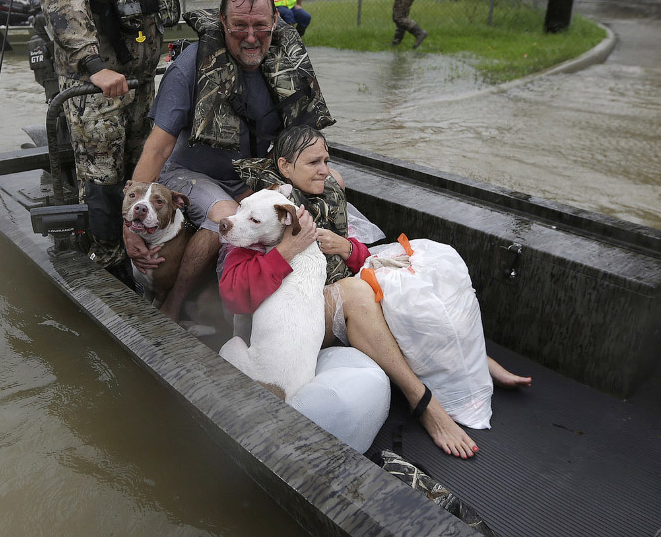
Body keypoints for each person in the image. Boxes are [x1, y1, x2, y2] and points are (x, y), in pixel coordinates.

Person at [221, 126, 532, 458]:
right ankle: (424, 403)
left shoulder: (328, 196)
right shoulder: (262, 213)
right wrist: (288, 250)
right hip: (300, 310)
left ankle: (472, 358)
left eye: (326, 160)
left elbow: (358, 253)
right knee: (357, 293)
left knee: (419, 267)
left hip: (334, 280)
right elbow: (234, 294)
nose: (324, 170)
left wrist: (345, 246)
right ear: (285, 167)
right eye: (313, 162)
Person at [39, 0, 237, 274]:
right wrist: (93, 65)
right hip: (94, 85)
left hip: (142, 80)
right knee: (105, 181)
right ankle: (108, 263)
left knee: (143, 179)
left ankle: (149, 263)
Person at [127, 0, 333, 321]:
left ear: (276, 20)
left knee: (335, 183)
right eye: (239, 25)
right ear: (222, 22)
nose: (251, 37)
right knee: (226, 215)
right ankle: (177, 306)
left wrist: (318, 177)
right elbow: (158, 149)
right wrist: (127, 227)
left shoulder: (288, 65)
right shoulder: (189, 67)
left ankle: (315, 291)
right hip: (187, 173)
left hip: (251, 175)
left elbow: (305, 144)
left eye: (260, 26)